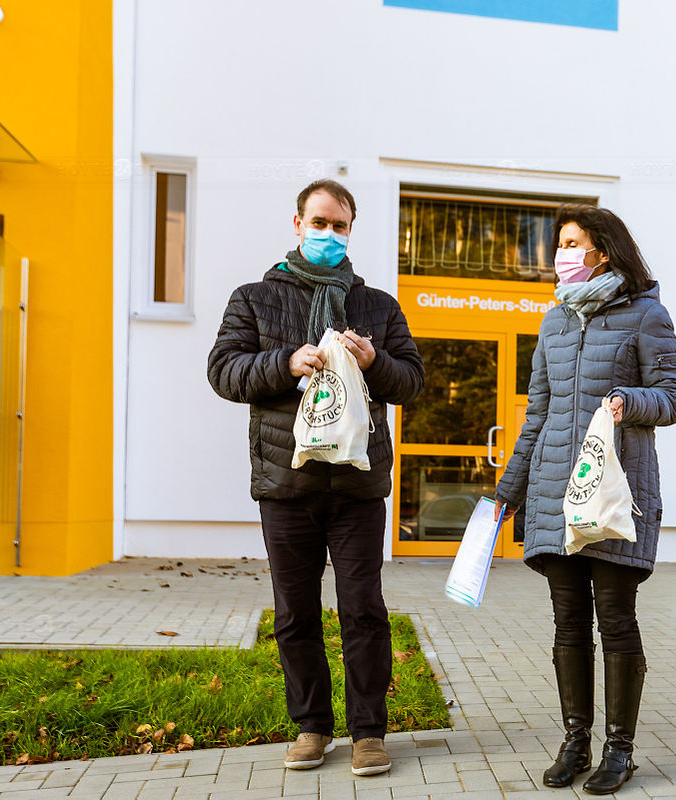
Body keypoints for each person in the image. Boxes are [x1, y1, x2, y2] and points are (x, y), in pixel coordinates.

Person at [207, 179, 424, 777]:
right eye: (320, 222)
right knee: (294, 614)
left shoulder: (377, 305)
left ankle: (368, 733)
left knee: (363, 609)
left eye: (341, 225)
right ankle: (311, 727)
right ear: (297, 223)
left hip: (356, 486)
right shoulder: (254, 298)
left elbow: (412, 381)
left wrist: (376, 361)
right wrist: (286, 362)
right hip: (286, 483)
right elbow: (223, 372)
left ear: (352, 230)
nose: (330, 234)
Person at [494, 204, 676, 795]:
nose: (561, 255)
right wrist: (509, 488)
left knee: (616, 620)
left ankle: (619, 749)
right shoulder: (554, 322)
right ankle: (575, 738)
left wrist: (631, 400)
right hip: (557, 490)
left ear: (602, 250)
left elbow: (675, 396)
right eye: (559, 245)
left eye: (572, 243)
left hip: (613, 491)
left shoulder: (646, 315)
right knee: (568, 624)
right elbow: (539, 414)